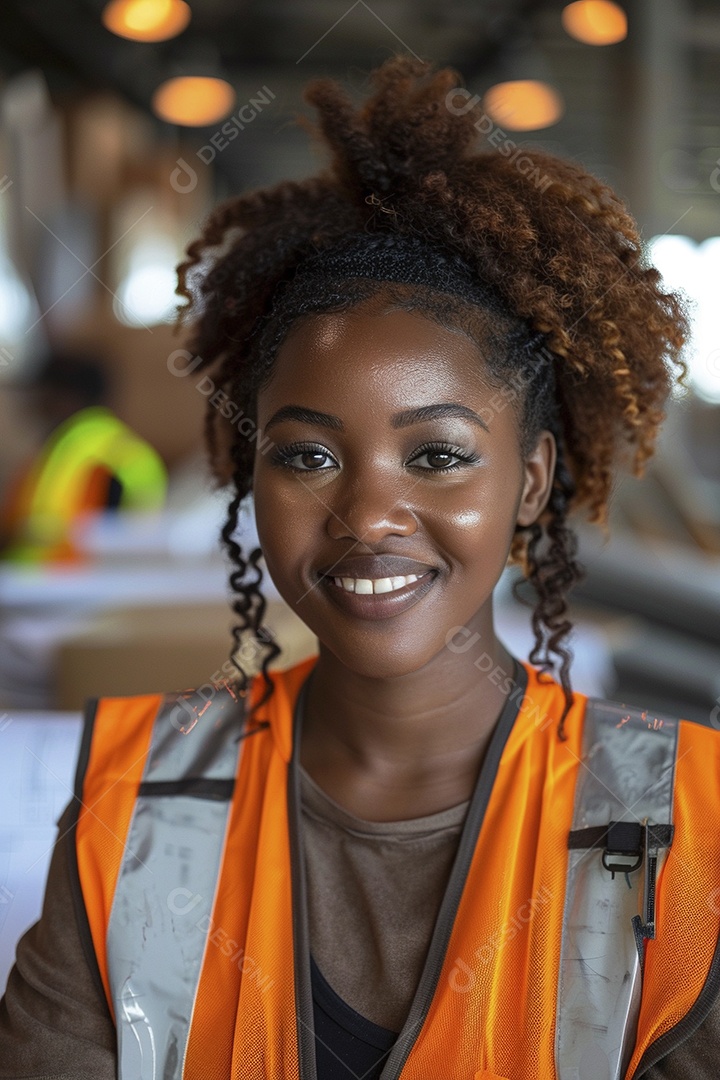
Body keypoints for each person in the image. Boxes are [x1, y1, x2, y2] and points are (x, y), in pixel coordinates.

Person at [0, 56, 717, 1080]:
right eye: (308, 455)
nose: (369, 515)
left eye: (437, 455)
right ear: (251, 471)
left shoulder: (688, 822)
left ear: (530, 480)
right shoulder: (135, 796)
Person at [0, 351, 167, 562]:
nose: (34, 404)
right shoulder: (127, 445)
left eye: (42, 392)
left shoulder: (76, 444)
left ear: (66, 397)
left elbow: (38, 529)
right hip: (105, 576)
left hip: (54, 579)